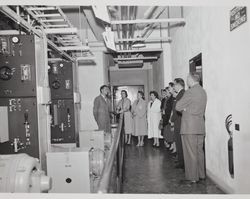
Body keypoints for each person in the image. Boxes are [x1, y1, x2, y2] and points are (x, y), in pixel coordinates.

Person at [176, 72, 207, 184]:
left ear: (192, 80)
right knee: (199, 152)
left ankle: (192, 177)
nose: (187, 81)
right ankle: (201, 174)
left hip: (189, 127)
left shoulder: (190, 92)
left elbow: (178, 106)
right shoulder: (203, 91)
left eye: (188, 78)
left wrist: (185, 109)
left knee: (190, 153)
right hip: (200, 126)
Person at [171, 78, 185, 169]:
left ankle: (182, 163)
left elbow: (177, 110)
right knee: (178, 143)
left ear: (178, 85)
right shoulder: (180, 94)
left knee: (180, 143)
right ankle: (181, 161)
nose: (173, 87)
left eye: (174, 85)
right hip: (178, 122)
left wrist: (172, 120)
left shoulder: (182, 94)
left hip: (179, 122)